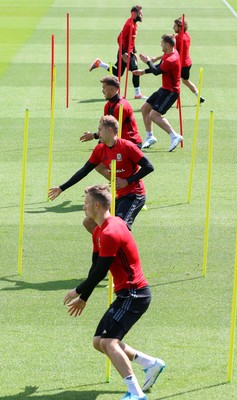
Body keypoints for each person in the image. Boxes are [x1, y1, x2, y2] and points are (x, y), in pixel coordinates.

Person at [63, 184, 166, 400]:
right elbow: (95, 266)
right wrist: (84, 297)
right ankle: (150, 363)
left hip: (134, 294)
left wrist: (78, 291)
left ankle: (136, 394)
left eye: (86, 204)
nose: (84, 207)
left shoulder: (110, 232)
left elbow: (100, 272)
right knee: (99, 341)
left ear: (97, 205)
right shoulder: (100, 230)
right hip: (127, 294)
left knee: (108, 343)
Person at [48, 115, 154, 233]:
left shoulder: (127, 146)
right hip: (118, 195)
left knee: (119, 227)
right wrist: (61, 188)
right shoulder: (99, 149)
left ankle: (120, 250)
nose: (98, 133)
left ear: (109, 130)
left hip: (134, 195)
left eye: (100, 129)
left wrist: (127, 181)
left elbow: (149, 167)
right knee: (88, 222)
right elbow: (84, 171)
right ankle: (102, 247)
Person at [133, 34, 183, 151]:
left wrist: (148, 61)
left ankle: (174, 136)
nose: (160, 44)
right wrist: (143, 72)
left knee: (154, 115)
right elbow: (160, 67)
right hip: (164, 89)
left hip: (171, 92)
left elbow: (156, 72)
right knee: (145, 108)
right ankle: (150, 137)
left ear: (167, 44)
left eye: (162, 43)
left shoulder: (172, 59)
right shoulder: (169, 53)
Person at [89, 5, 147, 99]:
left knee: (119, 73)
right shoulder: (129, 24)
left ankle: (100, 63)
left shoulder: (134, 24)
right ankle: (137, 94)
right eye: (140, 13)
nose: (142, 14)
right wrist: (123, 53)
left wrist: (134, 51)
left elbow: (131, 40)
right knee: (135, 70)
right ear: (135, 13)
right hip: (124, 52)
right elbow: (120, 38)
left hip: (129, 52)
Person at [80, 76, 142, 148]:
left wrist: (94, 136)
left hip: (132, 144)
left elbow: (111, 130)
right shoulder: (108, 105)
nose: (102, 90)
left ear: (111, 89)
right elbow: (105, 127)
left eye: (104, 88)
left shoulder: (120, 107)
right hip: (118, 141)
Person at [173, 17, 205, 104]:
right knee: (185, 81)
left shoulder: (177, 38)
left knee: (172, 82)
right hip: (188, 63)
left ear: (180, 27)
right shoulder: (187, 36)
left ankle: (169, 99)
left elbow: (173, 53)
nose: (173, 27)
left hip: (181, 64)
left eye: (175, 26)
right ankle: (198, 95)